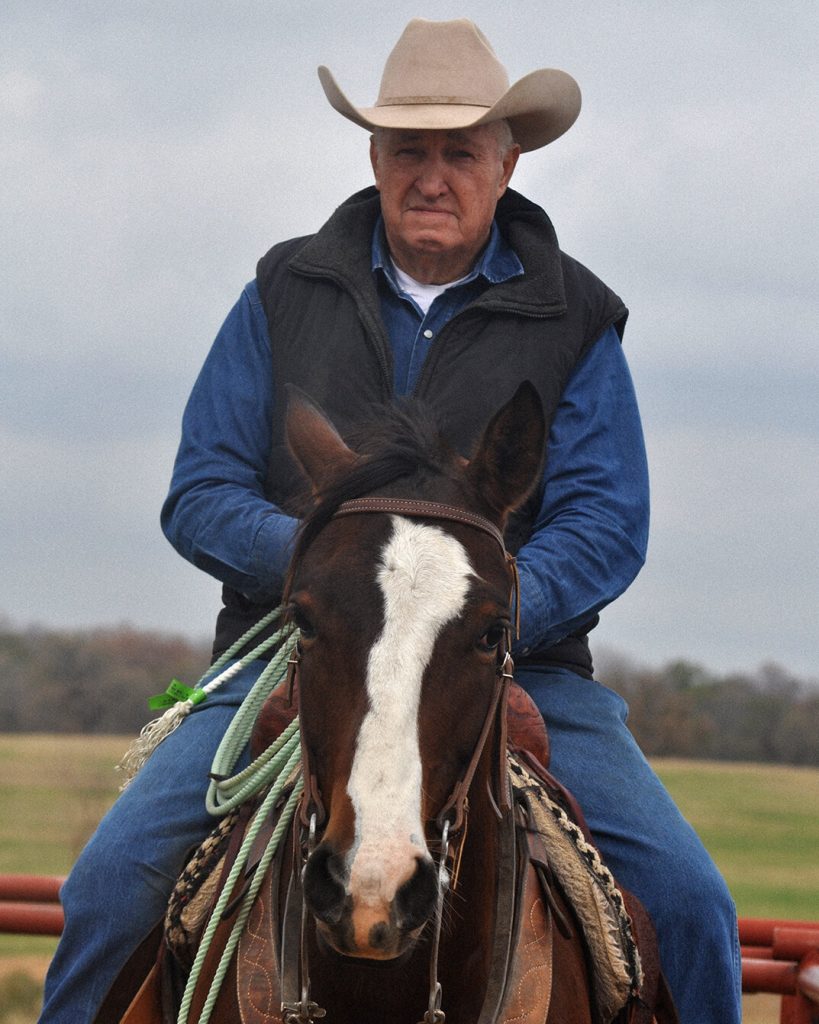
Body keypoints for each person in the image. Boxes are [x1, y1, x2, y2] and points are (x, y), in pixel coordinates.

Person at [39, 19, 741, 1023]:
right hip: (296, 656)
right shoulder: (283, 290)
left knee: (692, 904)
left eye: (461, 152)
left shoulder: (579, 316)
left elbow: (604, 523)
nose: (432, 175)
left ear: (506, 164)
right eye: (410, 149)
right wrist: (351, 585)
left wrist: (460, 614)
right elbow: (202, 489)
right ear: (373, 156)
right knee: (107, 891)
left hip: (514, 664)